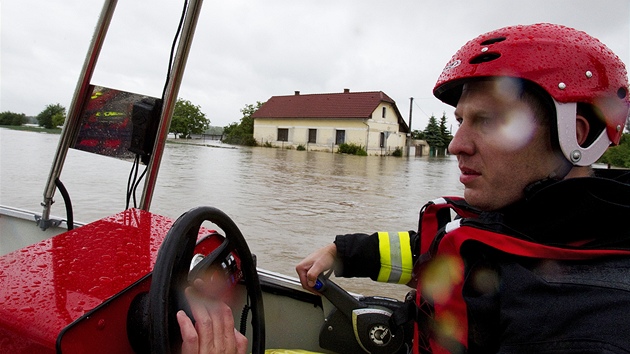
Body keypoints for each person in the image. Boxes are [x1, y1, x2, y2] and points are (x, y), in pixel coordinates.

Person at [296, 23, 630, 353]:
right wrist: (344, 252)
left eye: (487, 121)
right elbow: (435, 253)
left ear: (576, 135)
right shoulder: (521, 224)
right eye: (460, 122)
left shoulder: (590, 325)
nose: (456, 145)